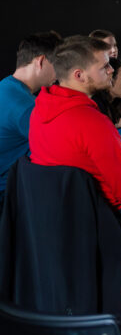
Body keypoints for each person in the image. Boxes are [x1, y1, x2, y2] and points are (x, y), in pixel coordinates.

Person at [29, 35, 121, 227]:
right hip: (109, 213)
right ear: (79, 75)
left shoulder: (39, 109)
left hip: (64, 214)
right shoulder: (92, 121)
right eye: (105, 67)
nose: (111, 70)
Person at [0, 31, 62, 208]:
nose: (59, 74)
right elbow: (60, 149)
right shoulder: (26, 107)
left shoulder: (5, 85)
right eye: (58, 65)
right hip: (7, 197)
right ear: (40, 61)